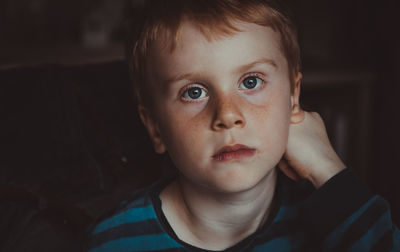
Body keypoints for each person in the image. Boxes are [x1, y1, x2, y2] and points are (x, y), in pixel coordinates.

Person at [85, 0, 400, 251]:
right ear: (154, 127)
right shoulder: (117, 241)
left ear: (293, 98)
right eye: (194, 92)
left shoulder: (335, 222)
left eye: (251, 81)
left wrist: (328, 169)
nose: (227, 114)